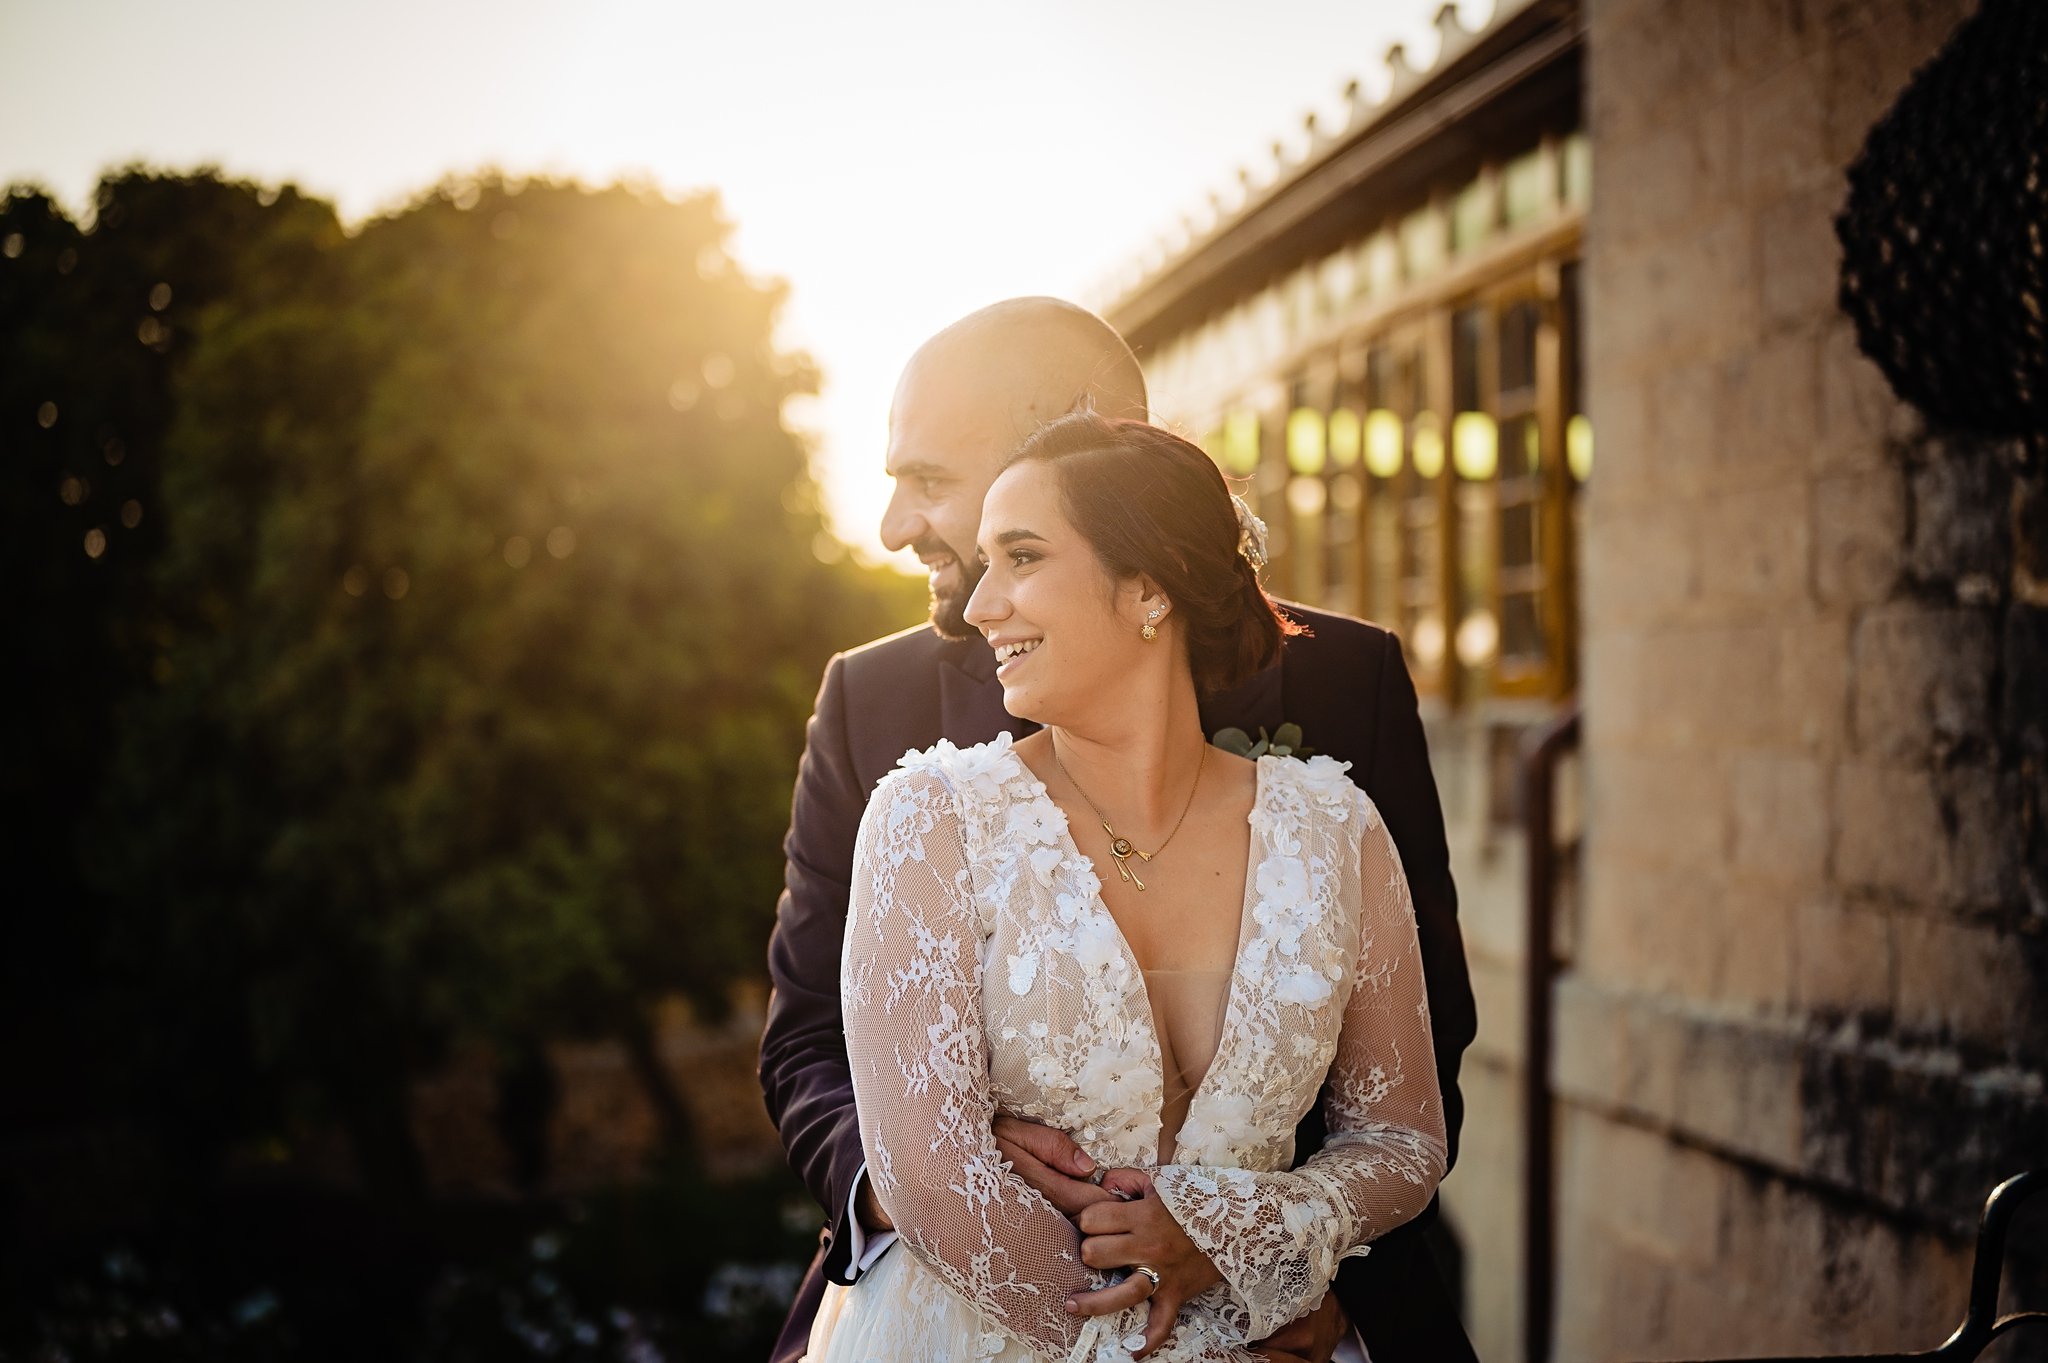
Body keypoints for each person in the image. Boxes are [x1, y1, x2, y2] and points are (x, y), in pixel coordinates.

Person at [759, 298, 1478, 1362]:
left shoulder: (1341, 692)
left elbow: (1416, 1059)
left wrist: (1277, 1278)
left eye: (926, 479)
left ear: (1074, 451)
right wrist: (926, 1161)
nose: (895, 526)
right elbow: (808, 1035)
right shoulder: (876, 707)